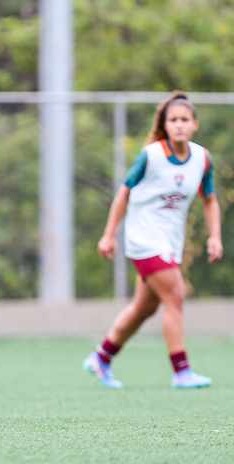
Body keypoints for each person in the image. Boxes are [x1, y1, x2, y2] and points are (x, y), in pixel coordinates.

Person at [84, 92, 222, 389]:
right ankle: (182, 371)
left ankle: (102, 357)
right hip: (143, 239)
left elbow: (210, 199)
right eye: (173, 120)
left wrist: (215, 237)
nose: (179, 125)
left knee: (144, 307)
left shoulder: (201, 158)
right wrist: (109, 234)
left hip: (170, 242)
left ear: (195, 124)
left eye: (185, 120)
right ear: (165, 124)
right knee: (175, 295)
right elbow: (124, 192)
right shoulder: (152, 155)